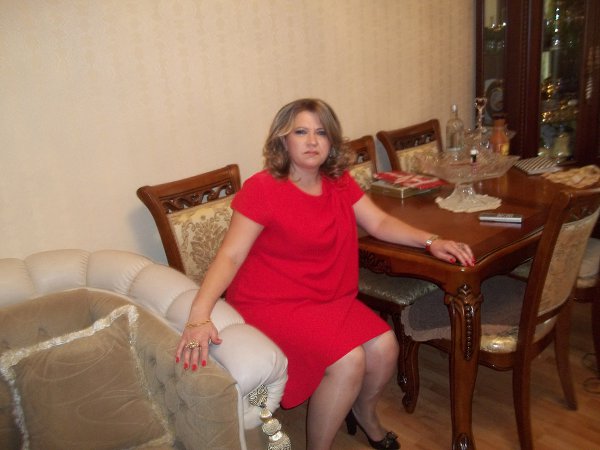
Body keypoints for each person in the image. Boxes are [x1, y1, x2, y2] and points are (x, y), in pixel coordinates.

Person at [175, 98, 475, 450]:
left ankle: (365, 414)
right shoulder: (263, 188)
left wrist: (432, 241)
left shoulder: (338, 181)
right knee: (349, 361)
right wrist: (199, 315)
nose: (312, 141)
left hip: (327, 296)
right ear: (283, 140)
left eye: (321, 133)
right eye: (301, 132)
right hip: (272, 302)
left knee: (385, 348)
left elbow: (378, 222)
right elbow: (231, 255)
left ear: (331, 141)